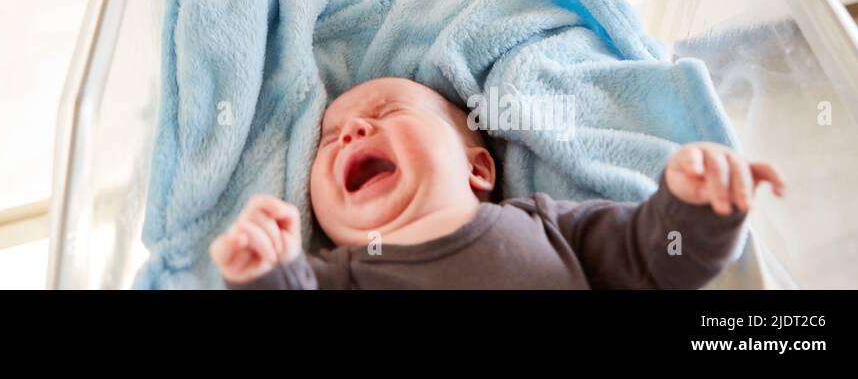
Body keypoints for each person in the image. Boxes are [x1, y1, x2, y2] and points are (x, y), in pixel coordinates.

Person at [209, 77, 786, 289]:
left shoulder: (547, 225)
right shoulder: (337, 276)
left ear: (477, 168)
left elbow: (656, 260)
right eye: (330, 140)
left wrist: (694, 208)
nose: (353, 129)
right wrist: (270, 270)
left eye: (387, 111)